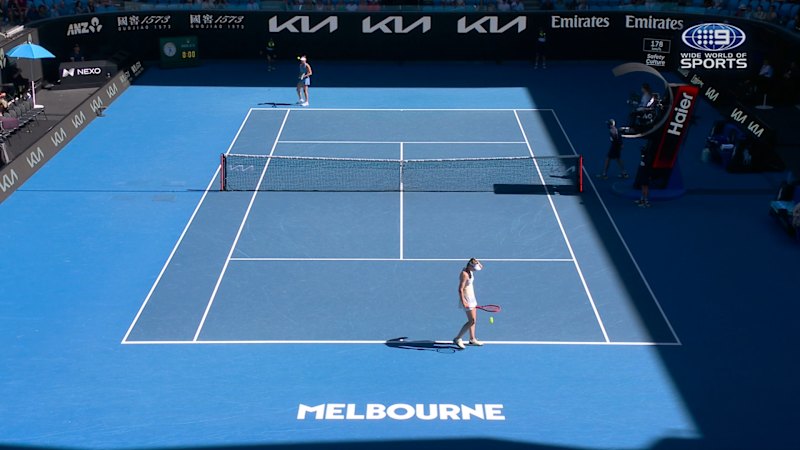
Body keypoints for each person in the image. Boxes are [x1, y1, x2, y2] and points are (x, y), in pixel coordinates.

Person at [453, 258, 484, 350]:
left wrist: (478, 262)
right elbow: (460, 289)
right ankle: (457, 338)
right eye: (475, 268)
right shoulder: (465, 274)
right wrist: (464, 302)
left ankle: (472, 339)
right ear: (470, 266)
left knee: (474, 320)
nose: (476, 270)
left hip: (472, 297)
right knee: (471, 321)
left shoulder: (470, 270)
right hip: (467, 299)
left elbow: (481, 267)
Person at [635, 141, 654, 208]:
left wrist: (648, 176)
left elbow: (647, 167)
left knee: (645, 188)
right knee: (643, 187)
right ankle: (642, 199)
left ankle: (646, 201)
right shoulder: (645, 157)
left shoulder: (648, 159)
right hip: (644, 174)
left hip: (646, 174)